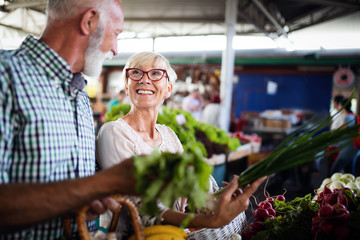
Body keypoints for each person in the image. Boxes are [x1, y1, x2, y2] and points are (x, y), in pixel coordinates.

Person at [0, 1, 139, 239]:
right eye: (115, 34)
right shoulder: (5, 76)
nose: (115, 49)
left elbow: (73, 191)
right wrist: (101, 184)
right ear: (89, 22)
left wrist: (90, 200)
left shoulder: (80, 97)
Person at [96, 52, 265, 238]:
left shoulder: (169, 135)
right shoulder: (113, 132)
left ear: (168, 89)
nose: (144, 80)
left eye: (155, 74)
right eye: (136, 73)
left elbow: (188, 191)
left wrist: (217, 199)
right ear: (127, 87)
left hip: (179, 233)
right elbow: (142, 210)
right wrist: (210, 221)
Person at [330, 98, 358, 174]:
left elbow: (339, 131)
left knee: (335, 171)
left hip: (348, 148)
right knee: (348, 172)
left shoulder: (348, 117)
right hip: (351, 148)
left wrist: (328, 135)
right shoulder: (352, 116)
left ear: (342, 106)